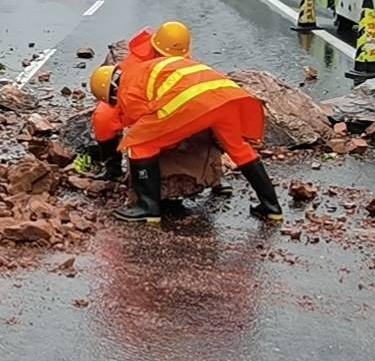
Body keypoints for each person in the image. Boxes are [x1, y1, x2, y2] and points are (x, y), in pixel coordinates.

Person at [88, 21, 284, 223]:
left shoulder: (128, 84)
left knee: (139, 144)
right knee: (239, 149)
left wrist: (166, 143)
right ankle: (271, 207)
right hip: (225, 97)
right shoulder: (162, 65)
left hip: (193, 104)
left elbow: (143, 123)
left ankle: (147, 207)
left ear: (111, 91)